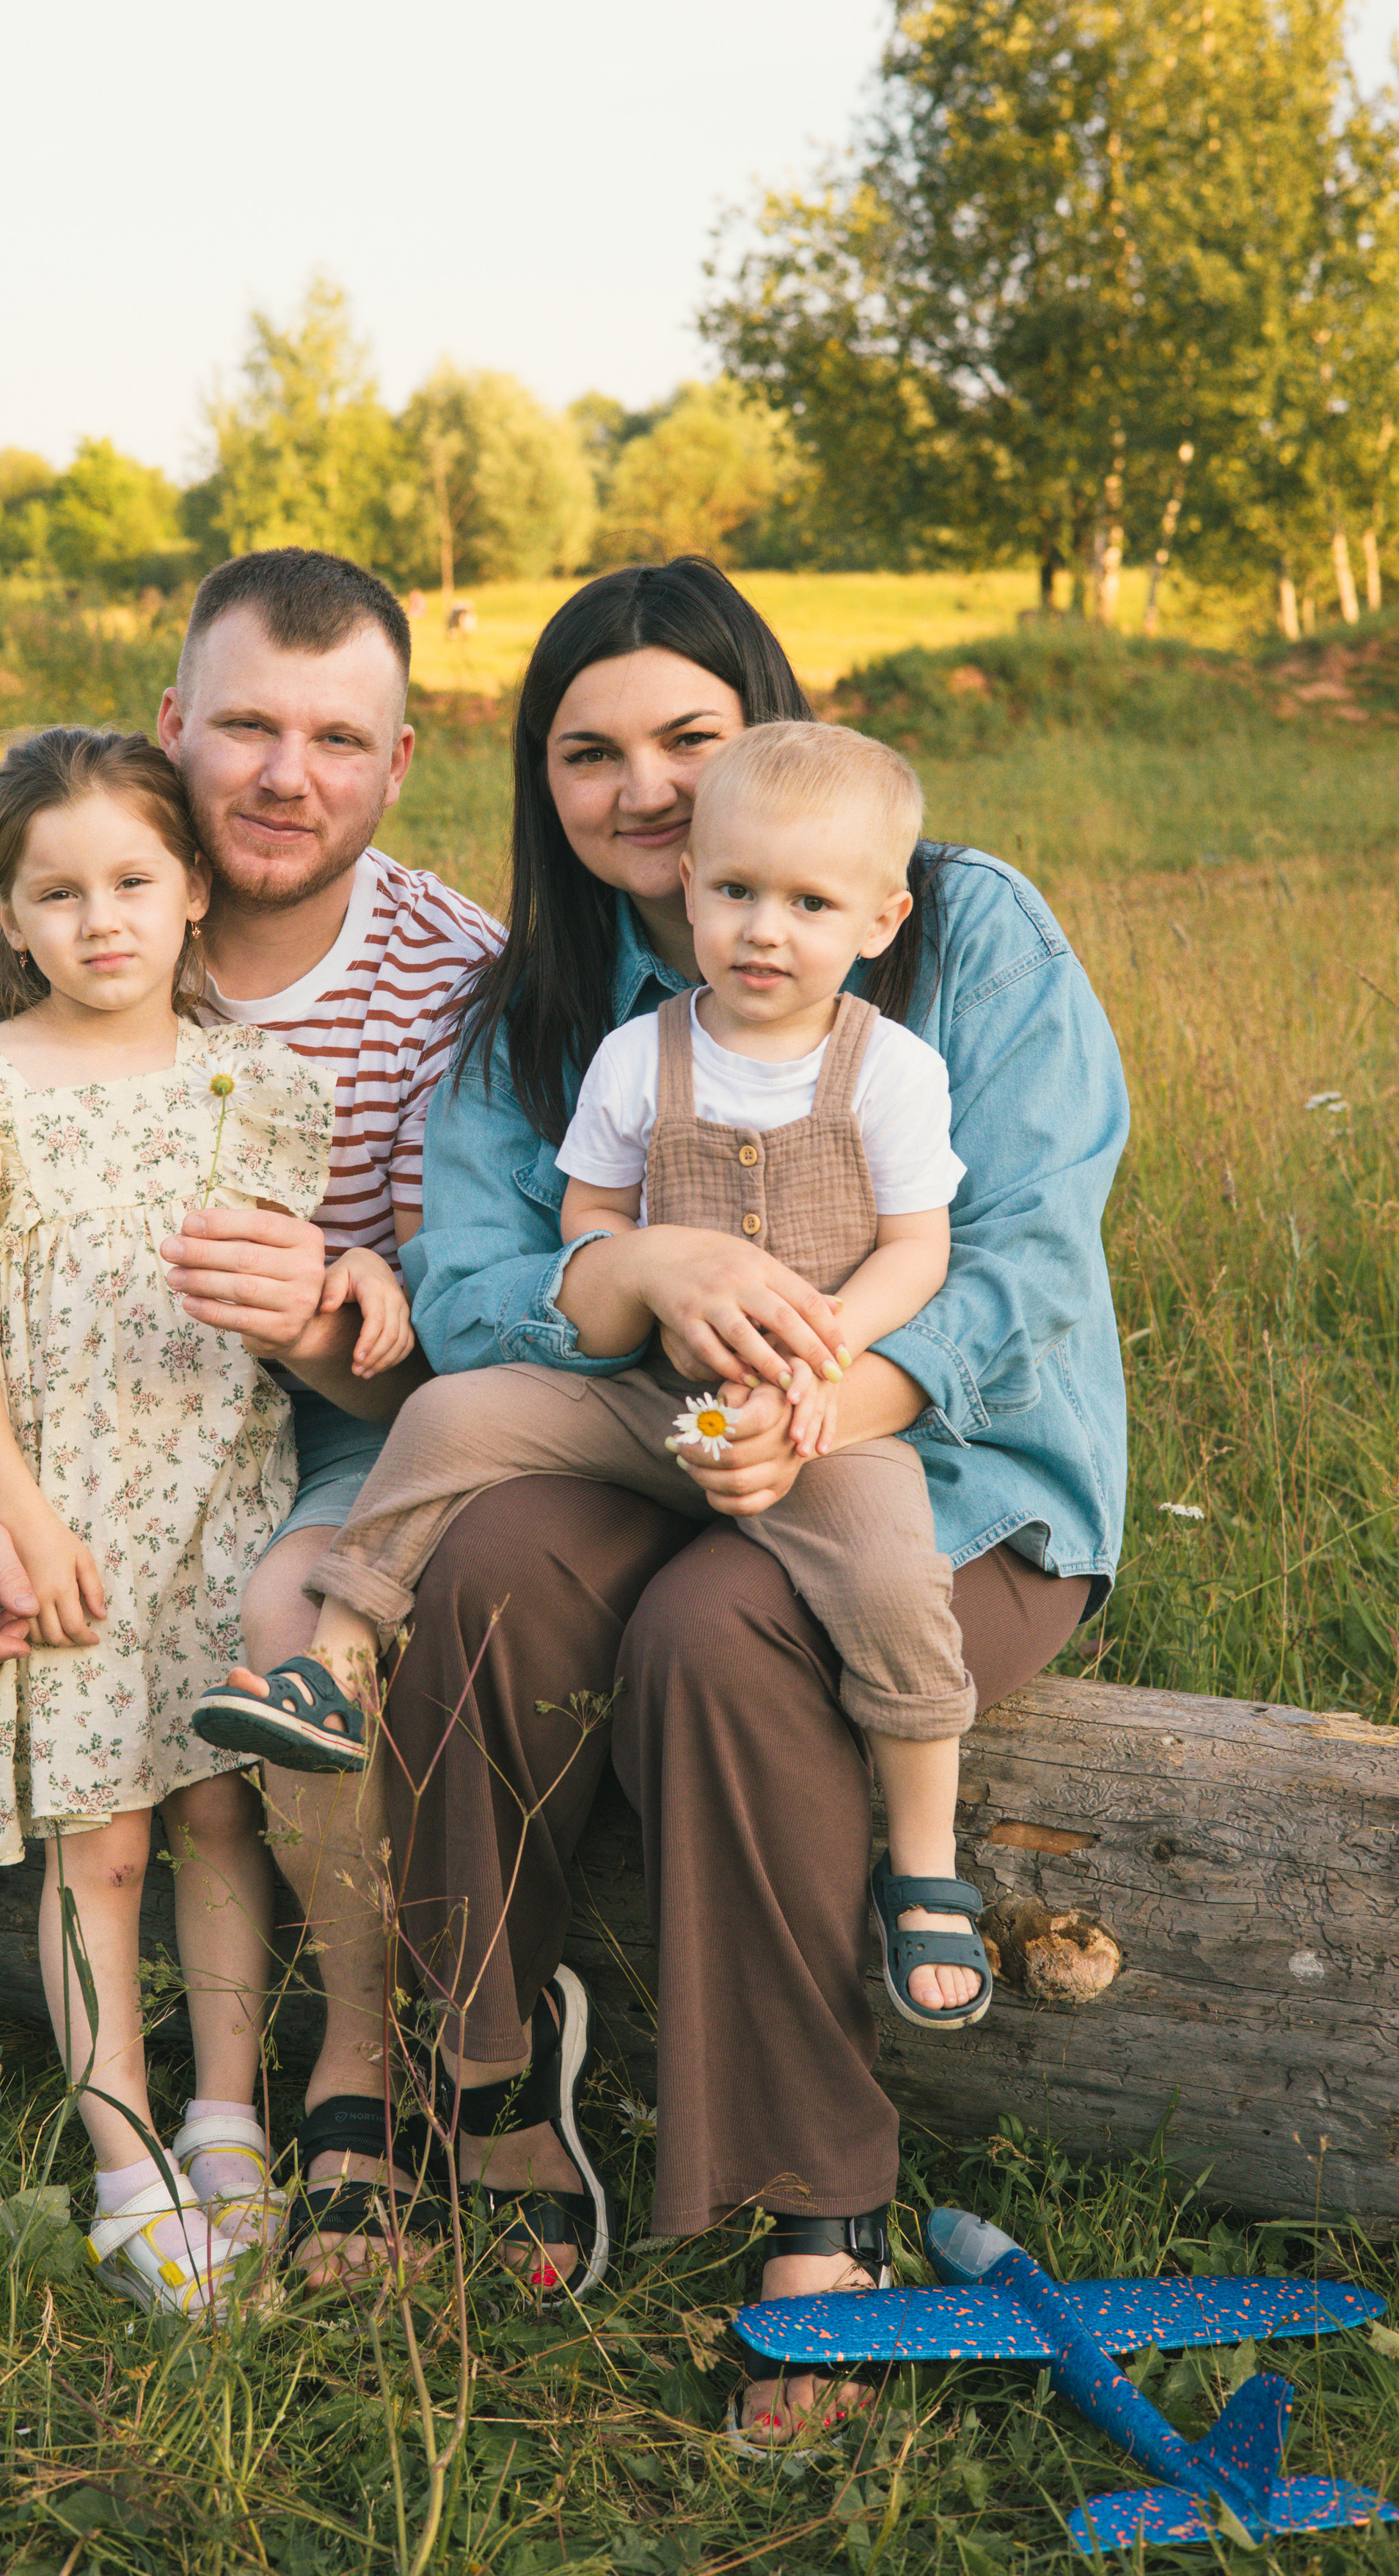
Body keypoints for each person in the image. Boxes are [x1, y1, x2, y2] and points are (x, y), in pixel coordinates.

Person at [340, 561, 1126, 2430]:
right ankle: (487, 2078)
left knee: (718, 1626)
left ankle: (819, 2205)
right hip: (641, 1444)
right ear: (541, 784)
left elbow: (1021, 1248)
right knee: (499, 1561)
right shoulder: (550, 1001)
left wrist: (822, 1400)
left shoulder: (959, 933)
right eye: (586, 753)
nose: (645, 790)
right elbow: (464, 1291)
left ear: (762, 728)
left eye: (688, 738)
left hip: (939, 1473)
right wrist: (628, 1277)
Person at [0, 552, 499, 2277]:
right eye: (243, 723)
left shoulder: (459, 976)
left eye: (333, 735)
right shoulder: (52, 940)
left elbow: (459, 1322)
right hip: (42, 1414)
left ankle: (328, 2090)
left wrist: (341, 1308)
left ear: (396, 761)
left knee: (248, 1690)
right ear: (175, 728)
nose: (282, 773)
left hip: (326, 1422)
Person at [195, 719, 993, 2034]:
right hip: (644, 1397)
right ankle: (334, 1657)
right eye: (735, 891)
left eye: (809, 904)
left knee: (896, 1571)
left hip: (816, 1415)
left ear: (882, 918)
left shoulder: (889, 1071)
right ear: (690, 887)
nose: (764, 931)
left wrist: (830, 1363)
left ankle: (923, 1858)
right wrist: (642, 1286)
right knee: (452, 1414)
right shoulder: (644, 1055)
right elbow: (587, 1220)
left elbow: (921, 1250)